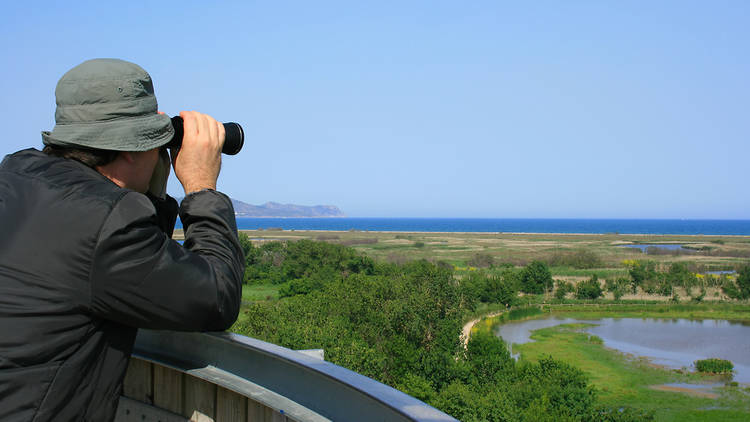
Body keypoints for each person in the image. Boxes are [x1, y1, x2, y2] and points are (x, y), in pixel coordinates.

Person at [0, 59, 245, 421]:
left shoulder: (16, 176)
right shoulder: (107, 224)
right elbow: (216, 298)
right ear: (132, 147)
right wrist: (201, 187)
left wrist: (155, 196)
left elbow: (136, 276)